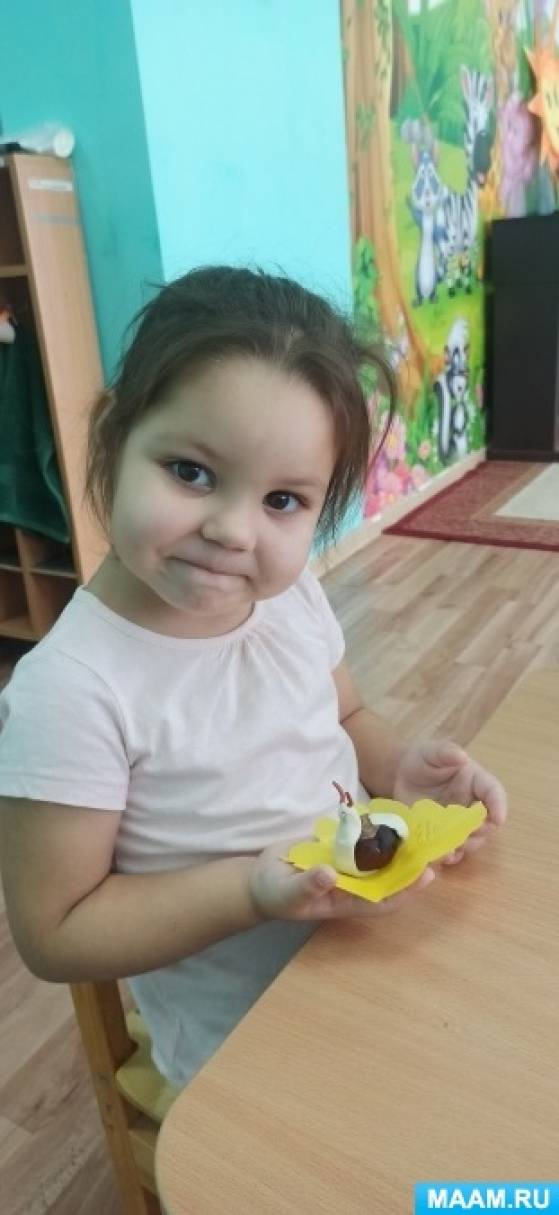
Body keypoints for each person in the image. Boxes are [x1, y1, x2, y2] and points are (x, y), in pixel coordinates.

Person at [0, 266, 507, 1089]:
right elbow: (55, 932)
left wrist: (398, 771)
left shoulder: (288, 598)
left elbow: (347, 715)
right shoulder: (73, 691)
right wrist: (251, 892)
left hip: (374, 949)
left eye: (282, 500)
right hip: (248, 1050)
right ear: (112, 439)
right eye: (190, 471)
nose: (233, 531)